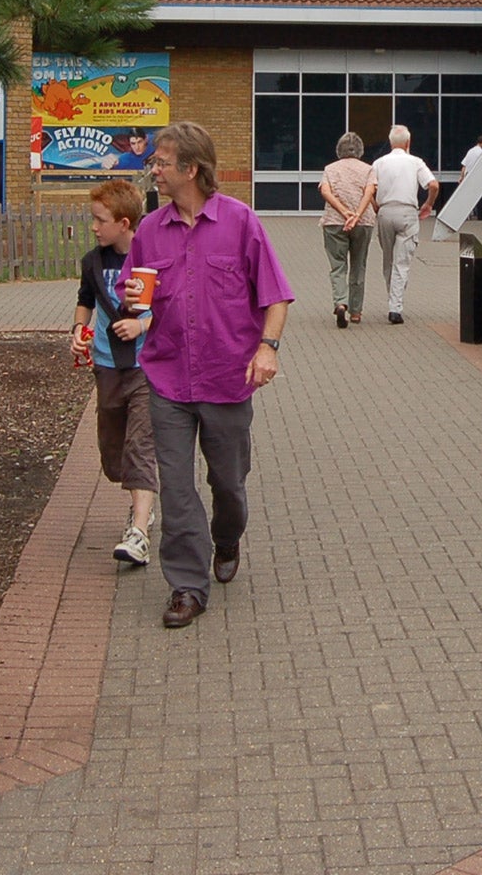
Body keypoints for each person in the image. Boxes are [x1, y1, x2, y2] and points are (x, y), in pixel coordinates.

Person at [125, 123, 293, 630]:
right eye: (154, 161)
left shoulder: (241, 222)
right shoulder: (150, 229)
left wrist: (268, 347)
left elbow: (276, 295)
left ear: (191, 169)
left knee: (228, 483)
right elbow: (136, 294)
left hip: (227, 379)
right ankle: (187, 586)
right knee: (175, 487)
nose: (153, 169)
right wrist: (135, 303)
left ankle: (227, 537)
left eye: (161, 162)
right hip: (168, 378)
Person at [71, 179, 156, 568]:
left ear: (123, 223)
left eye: (99, 220)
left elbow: (166, 305)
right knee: (113, 450)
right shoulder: (92, 261)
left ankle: (139, 528)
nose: (93, 226)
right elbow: (85, 303)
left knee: (140, 443)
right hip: (107, 365)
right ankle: (141, 501)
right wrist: (80, 334)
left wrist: (141, 326)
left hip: (145, 365)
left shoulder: (148, 258)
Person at [371, 124, 436, 324]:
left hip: (385, 212)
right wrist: (428, 204)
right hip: (408, 213)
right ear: (408, 142)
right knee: (402, 263)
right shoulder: (416, 162)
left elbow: (368, 189)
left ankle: (393, 301)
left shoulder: (379, 163)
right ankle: (395, 307)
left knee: (388, 260)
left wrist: (376, 207)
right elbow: (433, 185)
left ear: (391, 143)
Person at [318, 132, 376, 328]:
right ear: (360, 150)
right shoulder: (368, 169)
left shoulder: (330, 169)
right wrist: (357, 216)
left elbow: (325, 191)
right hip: (363, 222)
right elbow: (369, 192)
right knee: (359, 266)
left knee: (338, 266)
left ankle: (340, 303)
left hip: (334, 222)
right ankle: (356, 311)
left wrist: (344, 213)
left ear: (339, 150)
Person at [459, 134, 482, 220]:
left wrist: (461, 177)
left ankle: (467, 215)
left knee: (468, 196)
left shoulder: (470, 151)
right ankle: (481, 215)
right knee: (480, 196)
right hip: (477, 176)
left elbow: (464, 166)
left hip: (468, 175)